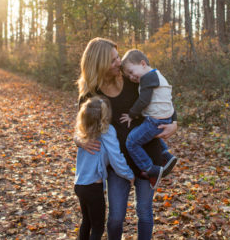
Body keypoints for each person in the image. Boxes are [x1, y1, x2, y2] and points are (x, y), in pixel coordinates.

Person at [74, 37, 177, 240]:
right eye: (113, 60)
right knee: (115, 219)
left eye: (118, 57)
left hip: (147, 157)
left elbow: (162, 99)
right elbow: (80, 129)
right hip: (118, 163)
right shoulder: (90, 95)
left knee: (145, 213)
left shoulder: (133, 78)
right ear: (100, 64)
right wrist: (80, 140)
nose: (119, 62)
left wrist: (174, 122)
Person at [74, 95, 134, 240]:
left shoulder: (83, 131)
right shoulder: (107, 131)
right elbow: (116, 158)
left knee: (86, 222)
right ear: (104, 116)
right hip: (94, 188)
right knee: (98, 228)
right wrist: (129, 175)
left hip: (80, 185)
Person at [120, 49, 177, 190]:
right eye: (128, 76)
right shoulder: (158, 75)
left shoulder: (147, 79)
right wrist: (173, 120)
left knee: (132, 141)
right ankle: (166, 156)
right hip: (166, 117)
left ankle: (150, 169)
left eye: (132, 72)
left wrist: (131, 115)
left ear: (143, 63)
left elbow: (143, 100)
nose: (132, 77)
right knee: (150, 136)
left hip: (155, 119)